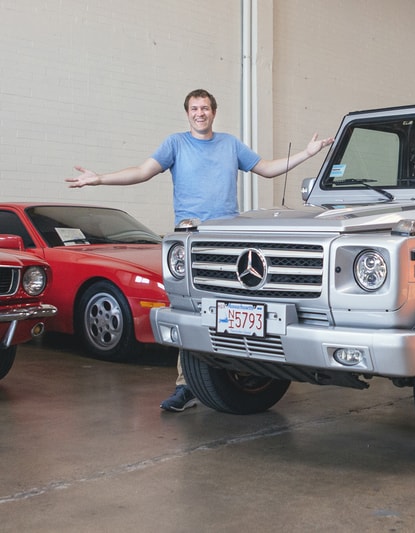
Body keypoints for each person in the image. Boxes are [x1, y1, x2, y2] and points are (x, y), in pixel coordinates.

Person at [67, 88, 333, 412]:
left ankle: (244, 374)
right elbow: (142, 171)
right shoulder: (175, 144)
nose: (200, 113)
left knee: (238, 309)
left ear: (213, 112)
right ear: (188, 113)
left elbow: (266, 168)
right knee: (191, 309)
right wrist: (99, 180)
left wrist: (306, 153)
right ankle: (187, 386)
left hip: (228, 239)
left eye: (205, 108)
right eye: (194, 108)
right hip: (191, 239)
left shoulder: (230, 144)